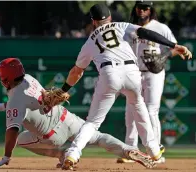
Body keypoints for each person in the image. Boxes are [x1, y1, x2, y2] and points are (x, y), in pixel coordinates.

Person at [53, 3, 191, 170]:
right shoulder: (121, 26)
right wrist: (174, 46)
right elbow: (145, 32)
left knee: (93, 122)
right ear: (110, 17)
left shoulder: (89, 41)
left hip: (109, 73)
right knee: (139, 107)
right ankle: (154, 150)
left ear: (93, 21)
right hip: (132, 71)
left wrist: (64, 90)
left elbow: (76, 72)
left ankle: (73, 154)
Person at [0, 58, 156, 169]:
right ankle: (128, 150)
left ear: (6, 79)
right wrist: (3, 106)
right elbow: (28, 103)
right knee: (97, 137)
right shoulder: (28, 79)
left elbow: (12, 130)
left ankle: (62, 155)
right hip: (65, 116)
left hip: (52, 136)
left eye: (2, 77)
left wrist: (6, 155)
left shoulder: (16, 100)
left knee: (21, 140)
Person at [117, 1, 192, 164]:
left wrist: (162, 57)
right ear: (136, 9)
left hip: (154, 73)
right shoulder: (128, 28)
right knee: (130, 110)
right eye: (140, 7)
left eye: (146, 7)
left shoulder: (161, 28)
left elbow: (173, 48)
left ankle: (156, 150)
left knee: (151, 111)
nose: (142, 10)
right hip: (134, 72)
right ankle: (130, 150)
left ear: (151, 10)